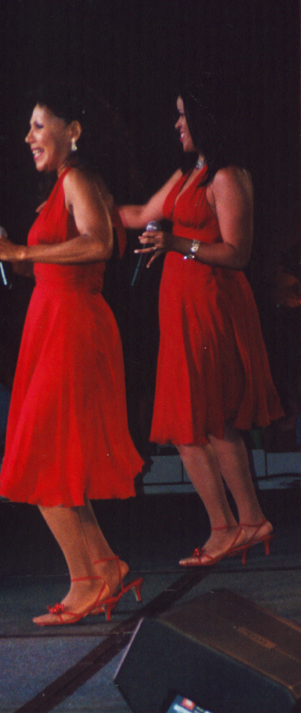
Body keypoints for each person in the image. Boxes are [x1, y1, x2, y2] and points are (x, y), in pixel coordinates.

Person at [0, 83, 143, 625]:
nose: (28, 137)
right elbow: (43, 264)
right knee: (56, 458)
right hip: (55, 323)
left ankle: (84, 582)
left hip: (71, 325)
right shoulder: (63, 186)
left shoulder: (76, 179)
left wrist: (22, 248)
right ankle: (107, 568)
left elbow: (98, 243)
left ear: (72, 130)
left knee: (39, 455)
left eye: (37, 125)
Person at [118, 80, 283, 567]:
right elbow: (139, 214)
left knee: (204, 421)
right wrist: (84, 204)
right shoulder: (189, 173)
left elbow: (237, 253)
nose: (177, 124)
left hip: (212, 305)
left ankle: (240, 524)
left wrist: (176, 245)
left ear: (205, 119)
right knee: (194, 424)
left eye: (183, 115)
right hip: (181, 310)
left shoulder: (227, 177)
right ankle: (237, 523)